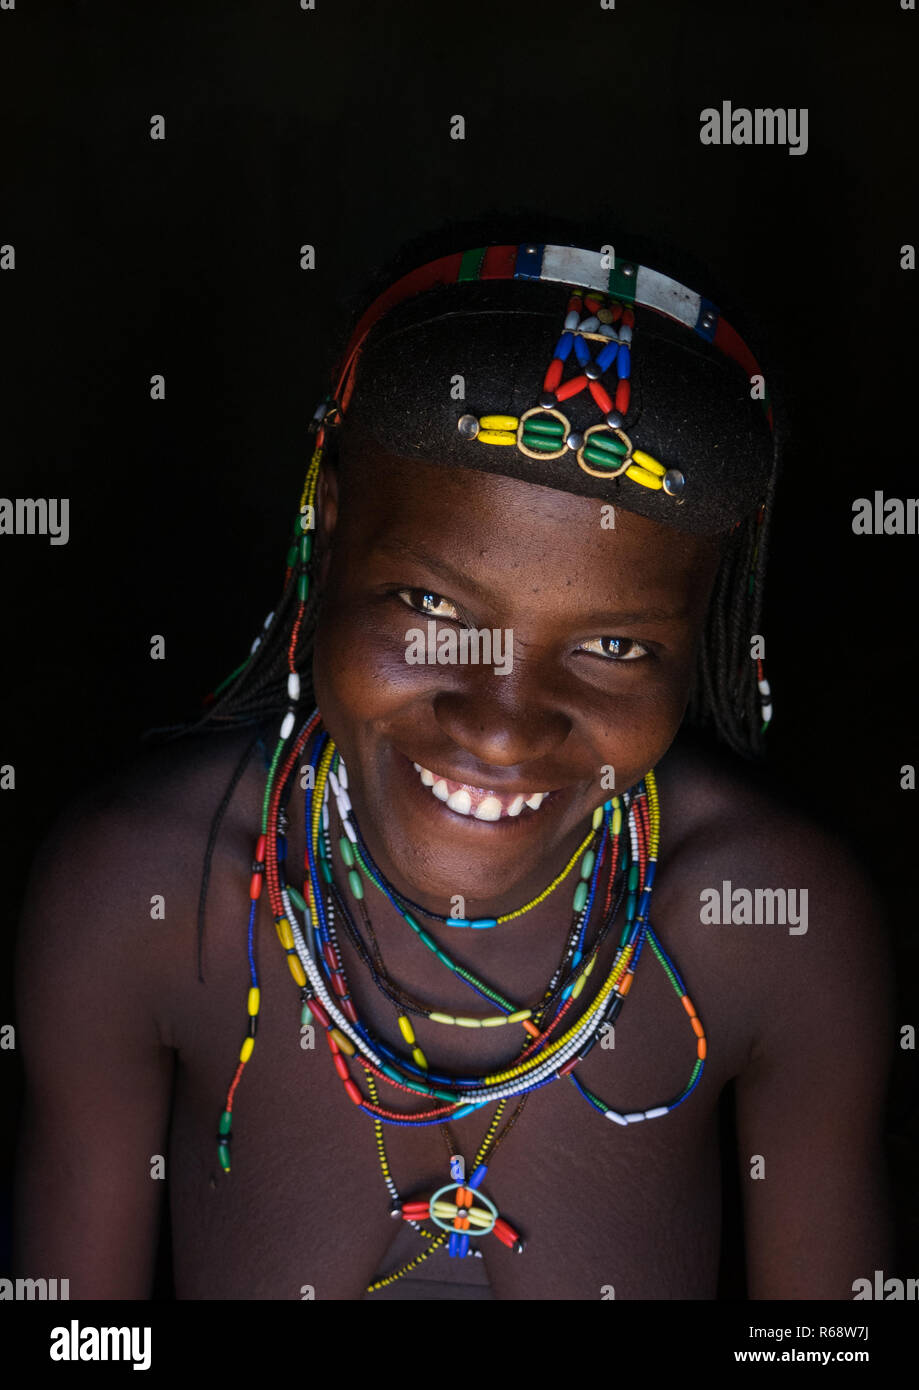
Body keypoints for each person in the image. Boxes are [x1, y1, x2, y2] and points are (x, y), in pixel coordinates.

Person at [13, 236, 892, 1300]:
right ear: (327, 536)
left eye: (613, 646)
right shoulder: (148, 895)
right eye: (433, 608)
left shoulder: (772, 927)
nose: (505, 728)